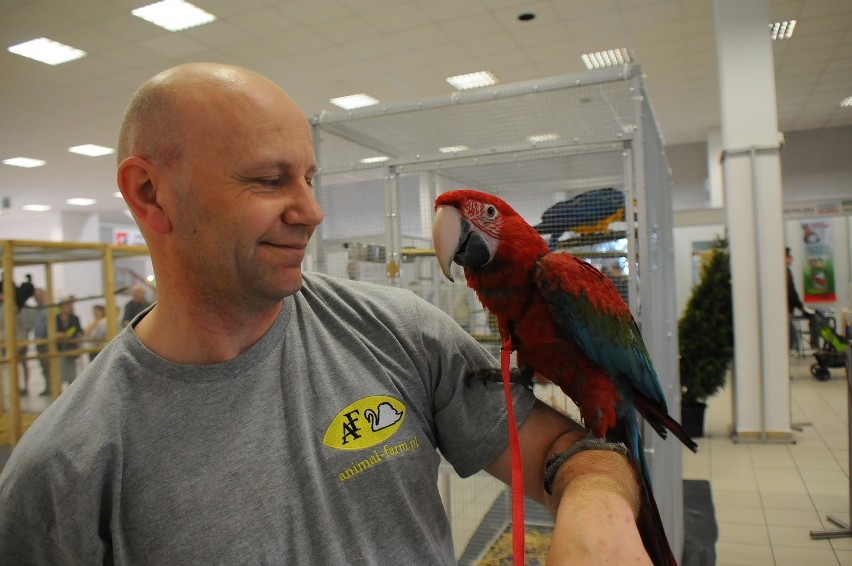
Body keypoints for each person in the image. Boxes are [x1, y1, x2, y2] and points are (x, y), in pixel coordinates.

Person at [0, 63, 649, 564]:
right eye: (268, 179)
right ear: (150, 194)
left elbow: (563, 451)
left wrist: (595, 502)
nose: (311, 211)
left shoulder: (402, 333)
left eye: (309, 178)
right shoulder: (63, 471)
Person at [55, 298, 82, 385]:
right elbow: (51, 331)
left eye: (67, 307)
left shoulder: (74, 318)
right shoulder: (55, 318)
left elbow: (79, 330)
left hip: (71, 347)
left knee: (72, 372)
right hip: (59, 348)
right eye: (63, 307)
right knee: (59, 371)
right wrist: (58, 335)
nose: (65, 309)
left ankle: (71, 387)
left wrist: (68, 336)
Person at [31, 288, 52, 396]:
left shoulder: (47, 309)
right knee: (44, 366)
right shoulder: (35, 310)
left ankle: (52, 386)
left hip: (47, 342)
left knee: (50, 365)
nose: (37, 297)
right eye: (35, 295)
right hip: (38, 341)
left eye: (39, 294)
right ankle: (48, 386)